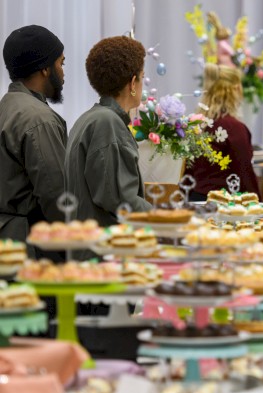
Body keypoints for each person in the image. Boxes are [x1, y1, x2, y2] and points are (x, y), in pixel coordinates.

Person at [65, 36, 151, 227]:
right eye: (142, 77)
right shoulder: (107, 123)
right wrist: (166, 218)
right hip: (104, 249)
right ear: (133, 83)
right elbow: (120, 199)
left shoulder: (89, 118)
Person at [0, 25, 67, 257]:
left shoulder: (6, 107)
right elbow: (56, 197)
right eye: (61, 63)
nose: (63, 72)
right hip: (29, 248)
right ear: (45, 69)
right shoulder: (38, 119)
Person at [185, 63, 260, 200]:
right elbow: (245, 173)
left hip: (195, 200)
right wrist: (259, 203)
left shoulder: (197, 124)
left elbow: (188, 171)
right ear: (235, 89)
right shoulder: (235, 128)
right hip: (222, 204)